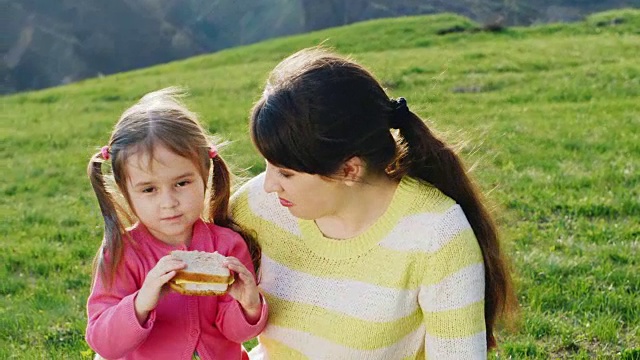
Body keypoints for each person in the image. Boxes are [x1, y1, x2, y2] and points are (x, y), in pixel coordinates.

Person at [230, 47, 517, 359]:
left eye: (286, 173)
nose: (269, 184)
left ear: (349, 170)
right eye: (267, 165)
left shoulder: (438, 236)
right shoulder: (258, 204)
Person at [85, 88, 267, 360]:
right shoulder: (123, 252)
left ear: (205, 175)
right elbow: (103, 341)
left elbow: (236, 334)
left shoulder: (227, 245)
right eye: (149, 190)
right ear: (126, 192)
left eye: (182, 183)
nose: (168, 202)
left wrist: (248, 305)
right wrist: (141, 302)